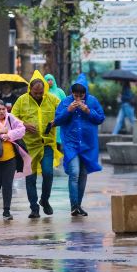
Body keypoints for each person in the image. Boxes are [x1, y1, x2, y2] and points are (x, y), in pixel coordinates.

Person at [12, 71, 62, 219]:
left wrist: (56, 121)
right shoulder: (22, 100)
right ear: (30, 90)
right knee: (30, 178)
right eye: (35, 93)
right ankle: (34, 208)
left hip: (47, 143)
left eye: (41, 92)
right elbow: (12, 119)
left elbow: (63, 114)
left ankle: (44, 200)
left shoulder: (52, 100)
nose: (38, 95)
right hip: (28, 146)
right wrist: (25, 125)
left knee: (48, 173)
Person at [55, 73, 105, 217]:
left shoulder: (92, 101)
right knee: (74, 173)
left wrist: (87, 111)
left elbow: (100, 118)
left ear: (85, 92)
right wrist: (68, 110)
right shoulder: (65, 102)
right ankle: (74, 205)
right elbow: (57, 120)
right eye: (75, 94)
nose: (78, 97)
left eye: (81, 94)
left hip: (87, 144)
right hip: (71, 143)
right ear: (72, 92)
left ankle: (78, 205)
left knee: (83, 174)